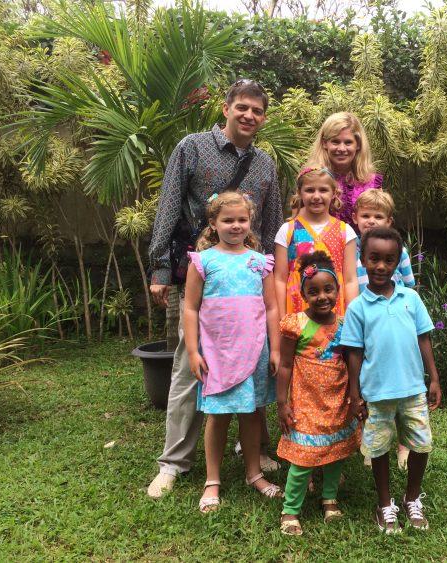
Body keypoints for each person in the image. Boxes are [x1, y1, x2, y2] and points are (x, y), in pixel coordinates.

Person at [147, 79, 282, 499]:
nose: (249, 115)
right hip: (199, 273)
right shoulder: (192, 147)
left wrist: (272, 275)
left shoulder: (265, 165)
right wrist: (160, 267)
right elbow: (169, 206)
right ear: (226, 108)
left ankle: (253, 450)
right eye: (242, 107)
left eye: (257, 111)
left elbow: (272, 224)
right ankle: (174, 461)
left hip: (249, 280)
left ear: (263, 118)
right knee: (191, 367)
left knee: (254, 362)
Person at [184, 192, 283, 512]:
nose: (236, 225)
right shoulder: (203, 262)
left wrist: (275, 348)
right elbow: (190, 308)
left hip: (254, 350)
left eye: (242, 219)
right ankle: (212, 480)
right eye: (228, 220)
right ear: (213, 223)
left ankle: (254, 473)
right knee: (218, 415)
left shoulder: (260, 262)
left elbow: (271, 308)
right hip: (218, 353)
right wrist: (192, 351)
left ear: (250, 222)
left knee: (252, 413)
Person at [341, 227, 442, 534]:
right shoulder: (357, 307)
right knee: (378, 449)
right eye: (374, 259)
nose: (381, 266)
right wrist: (355, 394)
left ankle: (412, 498)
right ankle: (385, 504)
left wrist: (434, 378)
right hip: (377, 393)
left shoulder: (411, 298)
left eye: (389, 259)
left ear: (398, 261)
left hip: (413, 390)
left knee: (421, 445)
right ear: (363, 259)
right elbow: (354, 354)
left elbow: (423, 338)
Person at [275, 251, 360, 536]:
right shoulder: (295, 324)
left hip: (337, 401)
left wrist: (355, 397)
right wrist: (282, 402)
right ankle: (290, 509)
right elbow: (285, 365)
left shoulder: (345, 325)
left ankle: (329, 498)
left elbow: (351, 362)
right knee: (303, 459)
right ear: (303, 295)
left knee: (335, 453)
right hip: (306, 402)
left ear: (338, 290)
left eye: (328, 289)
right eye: (313, 291)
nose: (322, 296)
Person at [352, 189, 415, 470]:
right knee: (368, 384)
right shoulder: (350, 249)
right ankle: (372, 443)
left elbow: (409, 286)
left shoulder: (399, 251)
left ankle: (403, 444)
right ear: (355, 217)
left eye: (378, 216)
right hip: (365, 323)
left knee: (400, 385)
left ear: (389, 221)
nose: (371, 221)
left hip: (393, 323)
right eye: (366, 215)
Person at [273, 167, 358, 318]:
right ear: (299, 192)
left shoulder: (345, 231)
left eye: (323, 190)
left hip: (334, 311)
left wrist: (352, 319)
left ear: (334, 193)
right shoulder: (287, 230)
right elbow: (280, 278)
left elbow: (350, 280)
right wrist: (282, 317)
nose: (316, 196)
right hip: (297, 311)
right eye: (310, 190)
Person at [306, 112, 382, 229]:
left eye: (348, 142)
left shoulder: (372, 183)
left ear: (358, 145)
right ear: (324, 143)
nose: (342, 148)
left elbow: (380, 225)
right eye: (335, 141)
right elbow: (299, 222)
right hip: (319, 240)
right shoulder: (311, 179)